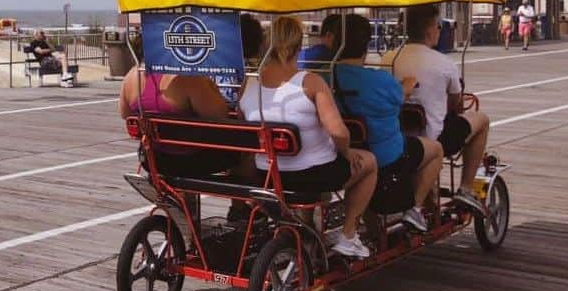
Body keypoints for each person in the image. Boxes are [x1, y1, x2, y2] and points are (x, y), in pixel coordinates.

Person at [239, 16, 377, 258]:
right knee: (369, 163)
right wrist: (347, 151)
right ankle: (348, 235)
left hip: (267, 175)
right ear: (297, 46)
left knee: (317, 158)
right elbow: (338, 132)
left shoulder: (248, 83)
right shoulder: (310, 81)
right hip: (311, 176)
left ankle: (304, 228)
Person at [333, 14, 444, 232]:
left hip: (347, 151)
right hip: (388, 154)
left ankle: (373, 229)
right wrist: (408, 85)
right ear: (366, 44)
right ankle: (414, 209)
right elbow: (400, 95)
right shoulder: (379, 80)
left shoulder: (327, 76)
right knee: (436, 150)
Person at [392, 4, 490, 213]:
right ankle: (465, 188)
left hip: (397, 133)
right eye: (438, 26)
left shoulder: (389, 57)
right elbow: (455, 104)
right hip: (434, 137)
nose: (439, 30)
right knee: (481, 119)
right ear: (429, 30)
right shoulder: (444, 63)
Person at [118, 44, 238, 177]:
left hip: (152, 158)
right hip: (192, 159)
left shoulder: (131, 76)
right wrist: (212, 88)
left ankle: (185, 196)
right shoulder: (190, 78)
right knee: (246, 151)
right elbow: (219, 115)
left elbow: (125, 115)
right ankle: (244, 195)